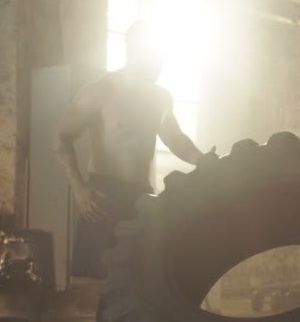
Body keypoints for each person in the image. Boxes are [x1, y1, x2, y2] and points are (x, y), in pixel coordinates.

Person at [53, 21, 209, 321]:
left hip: (142, 198)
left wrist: (203, 160)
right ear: (134, 50)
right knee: (102, 290)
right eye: (155, 56)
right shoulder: (99, 91)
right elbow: (60, 139)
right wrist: (79, 189)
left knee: (144, 284)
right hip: (102, 198)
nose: (160, 64)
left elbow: (175, 139)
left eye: (162, 57)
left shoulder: (161, 97)